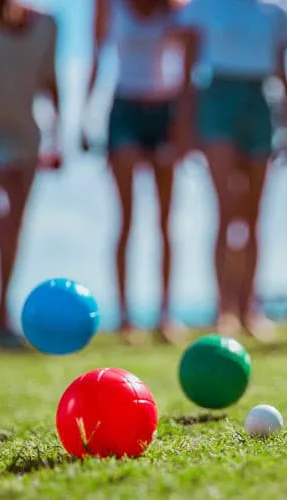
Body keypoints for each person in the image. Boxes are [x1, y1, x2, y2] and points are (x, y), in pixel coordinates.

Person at [175, 0, 287, 342]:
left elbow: (283, 72)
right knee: (226, 210)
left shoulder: (275, 13)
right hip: (217, 99)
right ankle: (223, 309)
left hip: (260, 100)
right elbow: (188, 69)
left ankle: (249, 308)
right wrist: (184, 126)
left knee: (254, 215)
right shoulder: (203, 7)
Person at [86, 0, 190, 345]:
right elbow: (96, 56)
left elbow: (189, 65)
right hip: (124, 112)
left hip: (165, 113)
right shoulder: (108, 6)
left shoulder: (177, 10)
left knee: (165, 220)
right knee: (126, 218)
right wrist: (86, 115)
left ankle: (165, 314)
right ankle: (125, 317)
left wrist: (184, 123)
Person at [0, 0, 59, 350]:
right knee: (1, 221)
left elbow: (50, 82)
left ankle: (1, 316)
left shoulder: (47, 26)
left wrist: (57, 139)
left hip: (26, 138)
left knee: (12, 225)